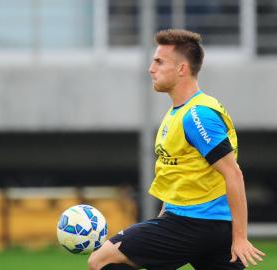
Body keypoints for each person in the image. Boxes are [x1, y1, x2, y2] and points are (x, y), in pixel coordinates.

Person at [88, 29, 265, 270]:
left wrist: (241, 238)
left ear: (182, 69)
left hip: (194, 224)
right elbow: (179, 176)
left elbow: (233, 173)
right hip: (201, 225)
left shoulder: (197, 115)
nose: (151, 69)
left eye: (159, 62)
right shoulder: (178, 113)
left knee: (101, 260)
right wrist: (161, 221)